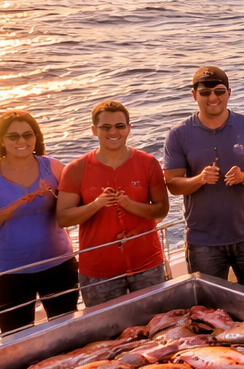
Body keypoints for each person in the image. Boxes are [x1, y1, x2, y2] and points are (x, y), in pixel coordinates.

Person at [164, 66, 244, 290]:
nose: (213, 97)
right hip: (203, 241)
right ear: (194, 95)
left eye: (219, 91)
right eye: (205, 92)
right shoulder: (177, 134)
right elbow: (173, 184)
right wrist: (199, 179)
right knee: (209, 309)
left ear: (229, 92)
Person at [58, 100, 171, 306]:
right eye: (105, 127)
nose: (113, 132)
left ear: (129, 128)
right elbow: (63, 218)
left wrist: (130, 205)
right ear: (94, 130)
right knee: (106, 333)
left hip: (147, 265)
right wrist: (96, 204)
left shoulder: (148, 163)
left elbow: (162, 210)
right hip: (99, 272)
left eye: (119, 126)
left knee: (156, 325)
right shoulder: (76, 168)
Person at [0, 110, 77, 332]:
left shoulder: (54, 167)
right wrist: (22, 201)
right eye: (13, 136)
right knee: (16, 338)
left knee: (66, 331)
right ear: (1, 140)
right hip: (9, 271)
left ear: (36, 137)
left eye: (28, 135)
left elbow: (72, 208)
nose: (22, 141)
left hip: (58, 263)